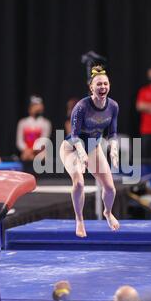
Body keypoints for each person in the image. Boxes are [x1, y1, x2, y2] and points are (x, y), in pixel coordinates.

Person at [59, 66, 120, 238]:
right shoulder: (81, 106)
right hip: (72, 147)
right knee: (79, 183)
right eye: (99, 84)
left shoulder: (113, 106)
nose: (102, 87)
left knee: (110, 189)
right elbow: (75, 135)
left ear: (109, 85)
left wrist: (113, 150)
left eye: (105, 84)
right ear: (91, 88)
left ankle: (107, 213)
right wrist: (82, 155)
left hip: (93, 147)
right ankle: (79, 219)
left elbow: (113, 133)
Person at [16, 95, 52, 161]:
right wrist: (26, 150)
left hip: (39, 151)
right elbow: (19, 141)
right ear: (30, 108)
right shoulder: (23, 122)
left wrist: (32, 150)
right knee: (26, 157)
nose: (37, 108)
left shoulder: (45, 123)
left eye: (38, 106)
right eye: (34, 106)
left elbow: (44, 140)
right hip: (26, 152)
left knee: (41, 157)